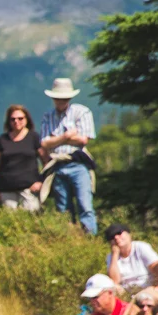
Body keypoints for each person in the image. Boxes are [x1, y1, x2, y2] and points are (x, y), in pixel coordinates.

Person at [37, 77, 97, 234]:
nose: (60, 101)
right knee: (63, 209)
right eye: (58, 98)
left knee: (85, 205)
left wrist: (55, 140)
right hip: (57, 165)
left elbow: (83, 139)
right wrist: (66, 136)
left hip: (77, 163)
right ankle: (68, 239)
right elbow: (44, 143)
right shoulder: (48, 116)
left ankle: (89, 238)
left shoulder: (81, 112)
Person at [0, 104, 43, 211]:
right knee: (9, 218)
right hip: (7, 189)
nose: (16, 121)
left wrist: (41, 182)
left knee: (32, 214)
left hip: (29, 189)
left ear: (27, 119)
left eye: (20, 118)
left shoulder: (34, 138)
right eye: (13, 119)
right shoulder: (2, 140)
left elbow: (46, 161)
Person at [104, 223, 158, 293]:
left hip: (148, 289)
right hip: (127, 292)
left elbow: (157, 267)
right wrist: (115, 255)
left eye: (119, 233)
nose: (116, 238)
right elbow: (115, 281)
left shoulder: (141, 247)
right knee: (114, 288)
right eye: (112, 237)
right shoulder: (111, 257)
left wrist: (157, 286)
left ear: (128, 234)